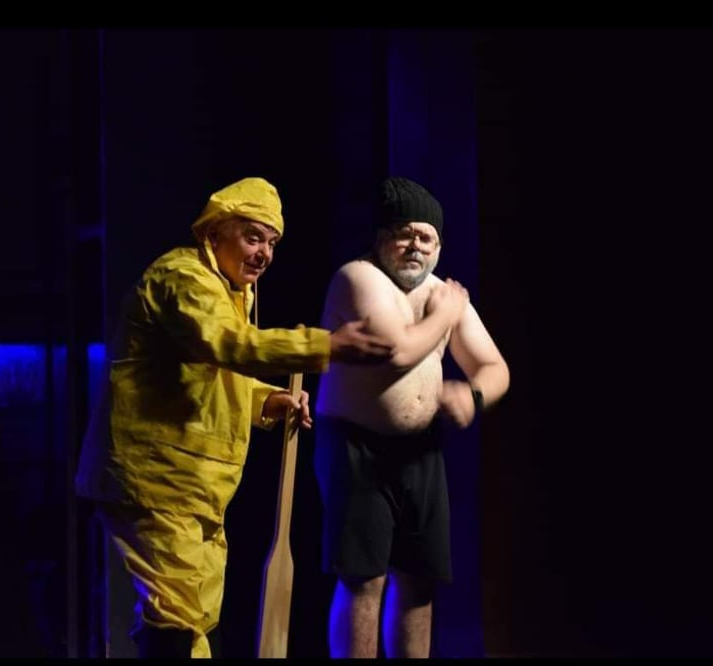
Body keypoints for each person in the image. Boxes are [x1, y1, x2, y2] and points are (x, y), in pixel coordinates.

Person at [74, 176, 395, 659]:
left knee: (194, 615)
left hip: (198, 487)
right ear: (214, 233)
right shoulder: (182, 279)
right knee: (177, 615)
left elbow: (214, 376)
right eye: (253, 237)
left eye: (272, 243)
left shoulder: (230, 293)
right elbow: (227, 345)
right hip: (154, 480)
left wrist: (267, 401)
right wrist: (324, 346)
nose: (264, 253)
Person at [313, 176, 510, 658]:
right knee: (364, 580)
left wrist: (474, 397)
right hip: (356, 445)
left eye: (427, 237)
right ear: (381, 238)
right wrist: (445, 315)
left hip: (420, 449)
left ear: (439, 246)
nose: (415, 246)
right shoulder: (359, 277)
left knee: (419, 580)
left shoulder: (442, 293)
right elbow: (395, 351)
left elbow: (495, 367)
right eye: (404, 234)